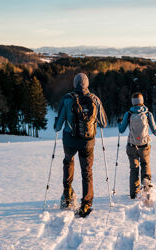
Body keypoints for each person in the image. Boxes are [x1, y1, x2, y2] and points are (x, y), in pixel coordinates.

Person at [54, 73, 107, 216]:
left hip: (69, 140)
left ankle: (67, 194)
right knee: (87, 172)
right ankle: (86, 204)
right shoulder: (95, 99)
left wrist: (58, 124)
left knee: (68, 162)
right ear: (87, 84)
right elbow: (104, 123)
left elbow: (58, 126)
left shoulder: (67, 98)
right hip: (88, 142)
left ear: (74, 83)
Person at [118, 92, 156, 199]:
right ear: (142, 101)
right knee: (145, 166)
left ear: (133, 102)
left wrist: (119, 122)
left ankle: (133, 194)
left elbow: (121, 129)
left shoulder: (128, 114)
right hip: (145, 146)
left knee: (134, 169)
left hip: (132, 146)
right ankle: (146, 189)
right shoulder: (148, 114)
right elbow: (154, 130)